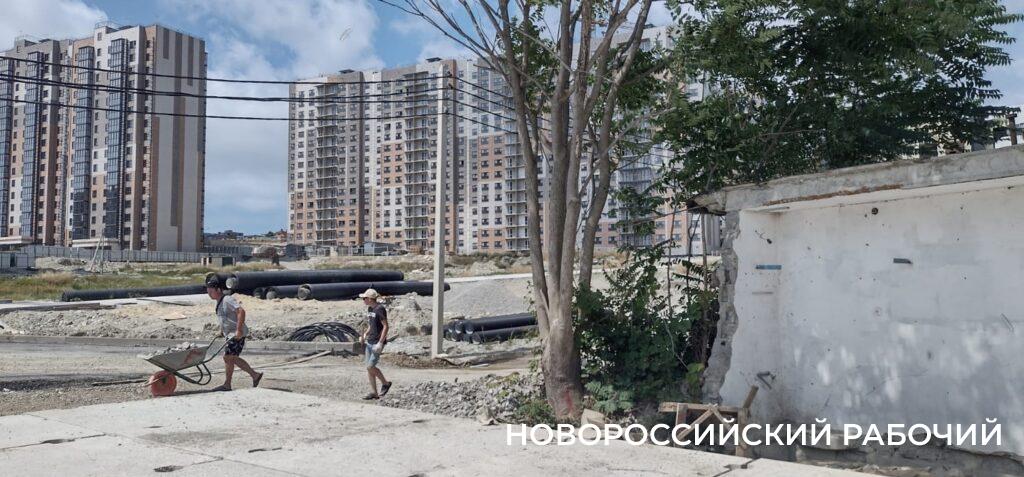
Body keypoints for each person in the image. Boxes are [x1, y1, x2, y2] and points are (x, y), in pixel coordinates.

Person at [205, 275, 263, 391]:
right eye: (208, 291)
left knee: (228, 357)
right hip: (230, 334)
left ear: (218, 289)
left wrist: (239, 330)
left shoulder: (227, 299)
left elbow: (241, 311)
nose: (209, 293)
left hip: (236, 335)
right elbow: (224, 318)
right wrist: (221, 331)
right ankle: (254, 375)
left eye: (211, 290)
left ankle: (227, 384)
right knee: (231, 358)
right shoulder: (219, 302)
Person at [359, 288, 392, 400]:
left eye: (364, 298)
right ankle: (374, 392)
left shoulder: (380, 309)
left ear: (369, 299)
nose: (363, 300)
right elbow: (371, 325)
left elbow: (386, 326)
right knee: (369, 368)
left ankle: (385, 383)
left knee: (370, 366)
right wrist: (365, 334)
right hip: (370, 341)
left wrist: (380, 343)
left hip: (377, 342)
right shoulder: (370, 309)